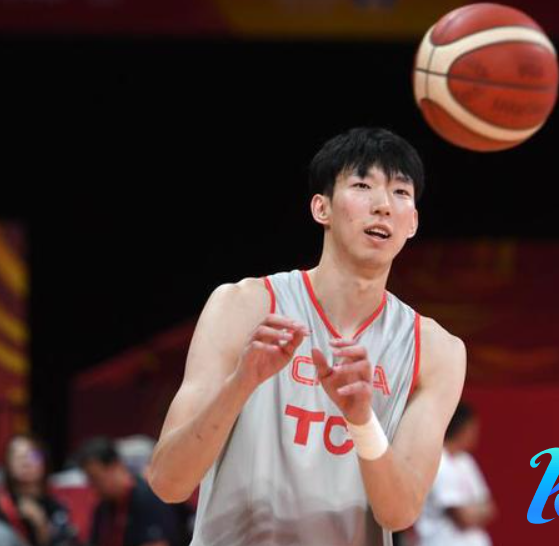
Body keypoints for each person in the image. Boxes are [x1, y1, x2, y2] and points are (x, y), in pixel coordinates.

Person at [146, 127, 467, 546]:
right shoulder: (244, 305)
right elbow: (168, 482)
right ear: (322, 208)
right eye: (362, 185)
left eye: (400, 192)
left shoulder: (437, 350)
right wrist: (242, 383)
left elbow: (400, 512)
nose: (383, 205)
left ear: (413, 223)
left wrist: (361, 419)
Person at [415, 402, 495, 546]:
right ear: (463, 429)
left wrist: (474, 511)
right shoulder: (438, 461)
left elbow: (490, 508)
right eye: (473, 428)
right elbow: (463, 518)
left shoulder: (466, 461)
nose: (476, 433)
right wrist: (477, 510)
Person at [76, 437, 182, 546]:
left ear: (115, 466)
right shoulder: (102, 508)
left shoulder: (148, 498)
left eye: (95, 478)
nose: (93, 485)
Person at [0, 434, 78, 546]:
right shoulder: (3, 506)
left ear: (44, 462)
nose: (26, 463)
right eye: (18, 457)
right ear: (8, 465)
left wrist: (40, 524)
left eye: (33, 456)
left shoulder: (57, 507)